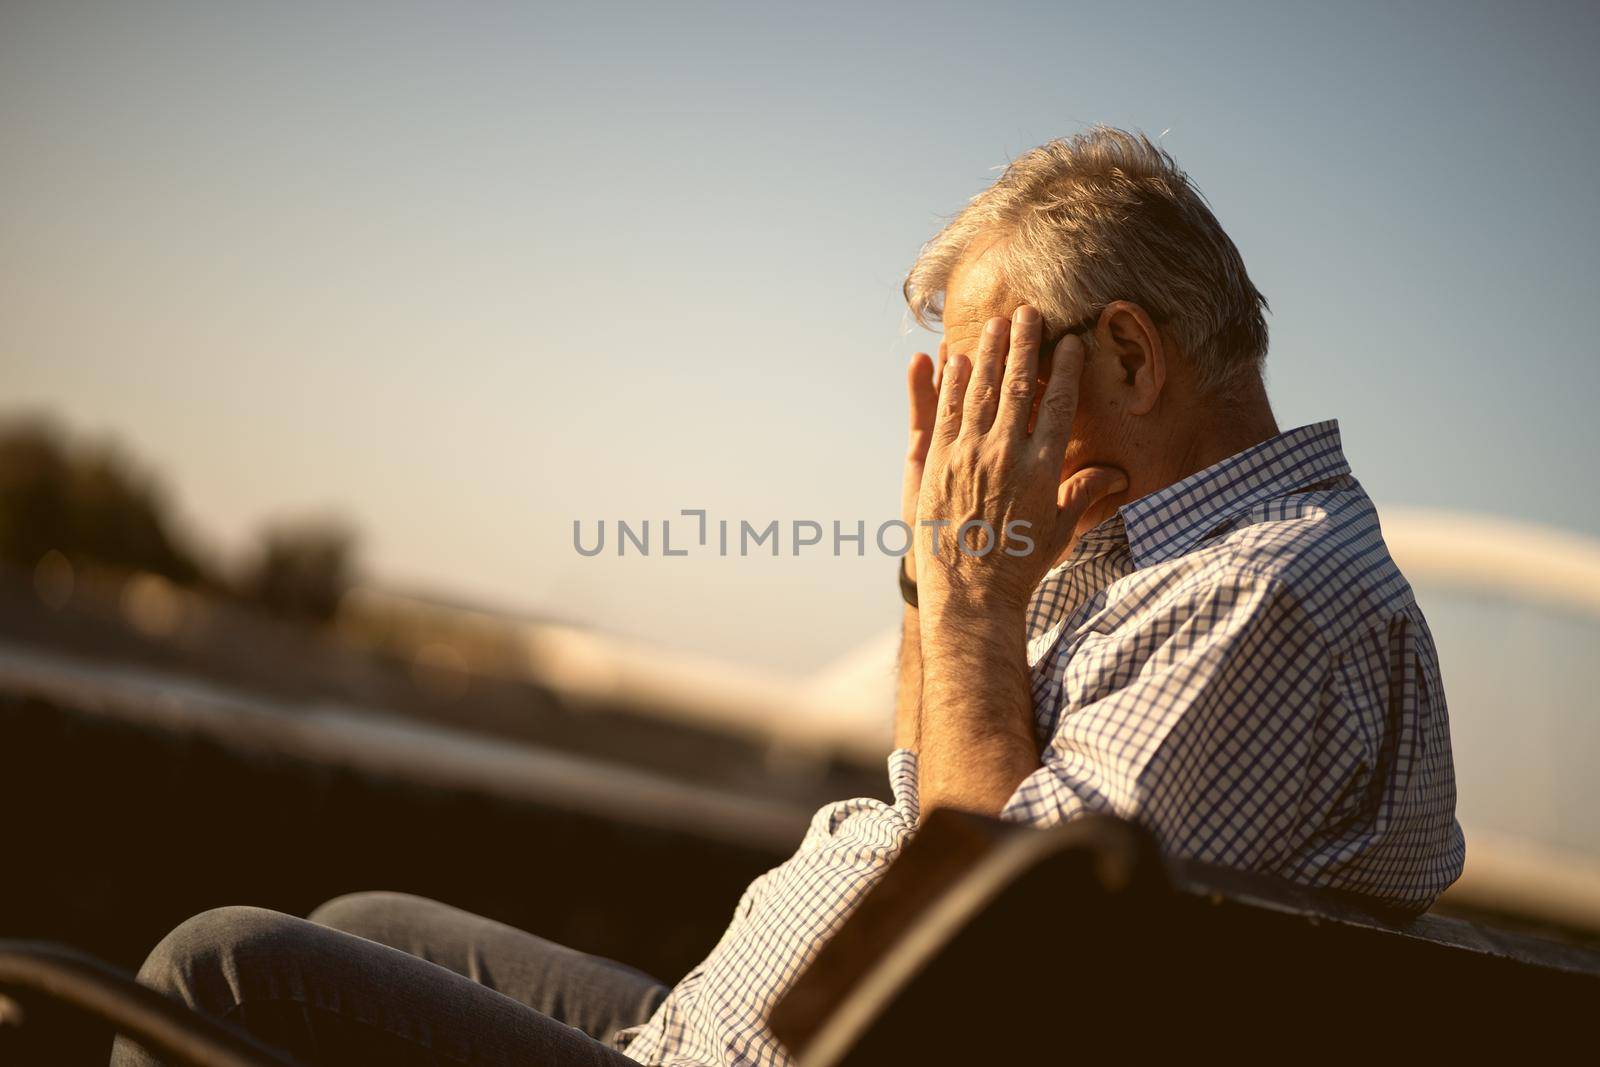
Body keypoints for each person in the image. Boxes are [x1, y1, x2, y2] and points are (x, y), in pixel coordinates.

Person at [113, 126, 1463, 1067]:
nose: (968, 441)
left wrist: (978, 602)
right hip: (749, 1032)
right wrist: (938, 574)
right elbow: (932, 784)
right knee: (357, 924)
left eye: (991, 385)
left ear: (1127, 352)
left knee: (220, 969)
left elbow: (983, 961)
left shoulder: (1263, 599)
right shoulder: (1161, 562)